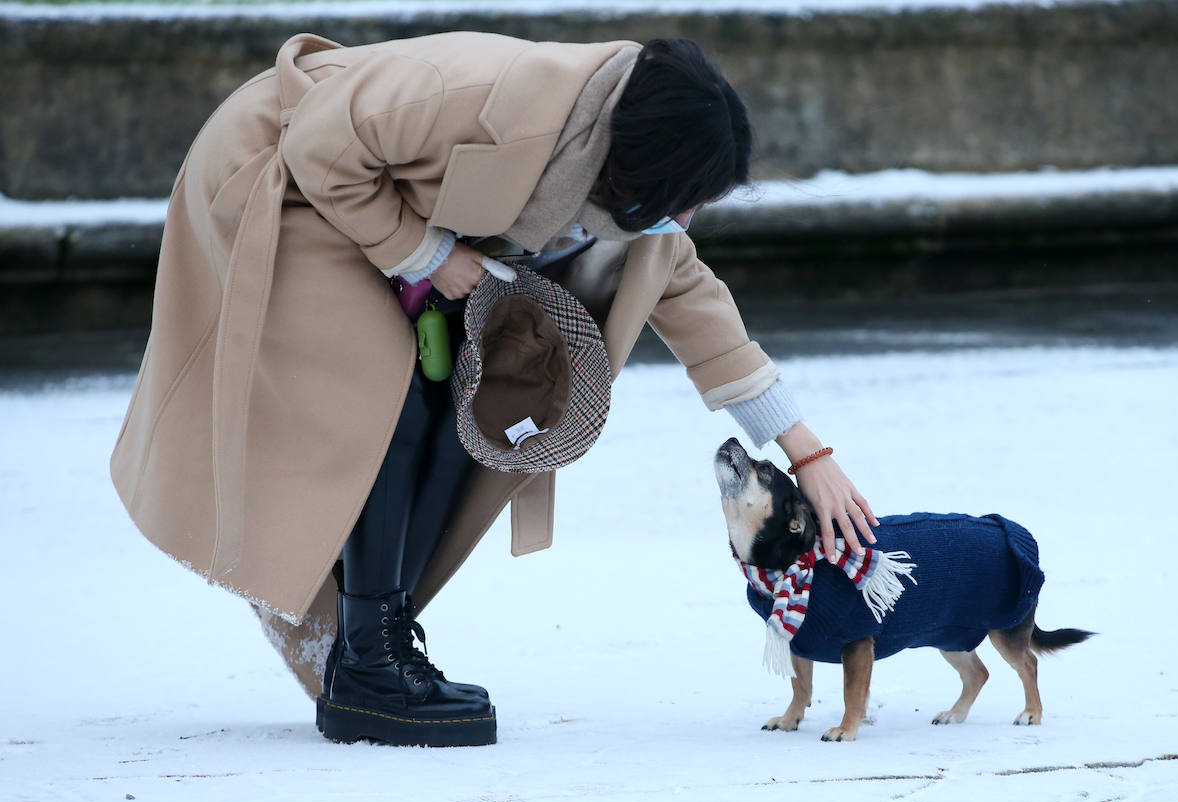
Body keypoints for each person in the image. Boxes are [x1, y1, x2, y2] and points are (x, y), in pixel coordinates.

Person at [110, 31, 877, 746]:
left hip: (360, 205)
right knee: (384, 392)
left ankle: (364, 642)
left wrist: (806, 450)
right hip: (284, 181)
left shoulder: (633, 203)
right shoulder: (480, 91)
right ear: (641, 160)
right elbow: (318, 145)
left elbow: (702, 312)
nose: (684, 218)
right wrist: (429, 252)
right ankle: (368, 666)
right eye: (684, 196)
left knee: (476, 410)